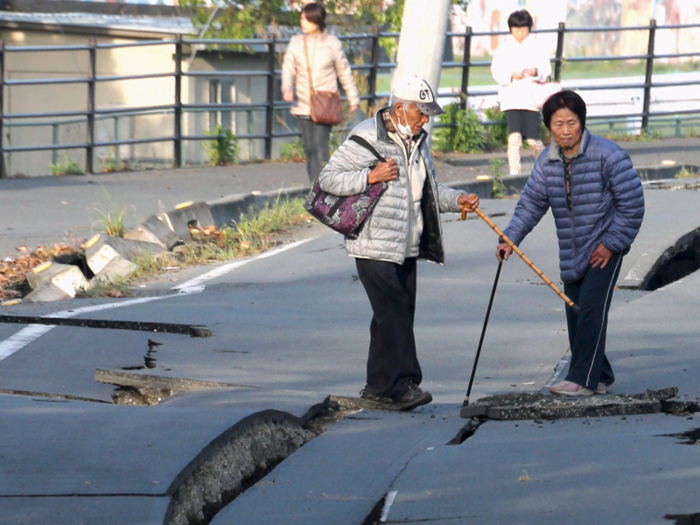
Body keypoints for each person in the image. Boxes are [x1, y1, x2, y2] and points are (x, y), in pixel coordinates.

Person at [319, 76, 480, 411]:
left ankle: (378, 387)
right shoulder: (366, 136)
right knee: (394, 311)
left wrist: (458, 200)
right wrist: (369, 176)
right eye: (421, 113)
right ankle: (406, 383)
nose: (426, 120)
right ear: (400, 109)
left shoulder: (417, 142)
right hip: (373, 243)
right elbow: (328, 178)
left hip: (406, 243)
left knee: (391, 315)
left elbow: (431, 190)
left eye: (427, 114)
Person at [496, 90, 644, 397]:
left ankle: (582, 380)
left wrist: (612, 243)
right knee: (577, 311)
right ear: (548, 126)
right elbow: (531, 204)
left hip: (606, 247)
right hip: (572, 250)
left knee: (591, 307)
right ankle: (600, 374)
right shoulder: (546, 162)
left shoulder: (608, 155)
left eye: (572, 123)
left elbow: (632, 205)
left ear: (582, 122)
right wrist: (509, 238)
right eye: (558, 124)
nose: (565, 131)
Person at [281, 2, 360, 184]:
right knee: (309, 148)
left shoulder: (332, 44)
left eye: (307, 19)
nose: (303, 23)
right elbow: (288, 68)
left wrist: (353, 96)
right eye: (301, 19)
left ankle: (323, 185)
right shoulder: (296, 43)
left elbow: (344, 71)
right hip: (303, 103)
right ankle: (314, 186)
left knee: (319, 146)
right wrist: (287, 87)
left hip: (325, 103)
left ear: (317, 20)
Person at [490, 9, 551, 175]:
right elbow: (496, 70)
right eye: (516, 30)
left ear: (529, 28)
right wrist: (510, 75)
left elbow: (546, 70)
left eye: (523, 30)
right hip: (511, 98)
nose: (519, 34)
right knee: (514, 137)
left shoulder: (537, 46)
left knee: (533, 140)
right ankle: (514, 171)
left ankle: (545, 167)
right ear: (510, 29)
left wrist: (535, 71)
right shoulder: (504, 47)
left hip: (531, 99)